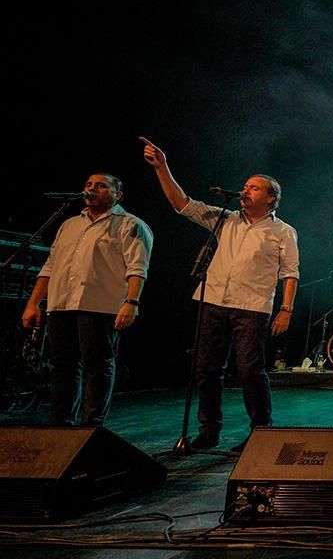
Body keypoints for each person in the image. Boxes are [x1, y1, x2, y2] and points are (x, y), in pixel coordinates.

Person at [142, 137, 299, 451]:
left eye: (254, 188)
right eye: (245, 186)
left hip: (252, 307)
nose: (246, 190)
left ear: (271, 198)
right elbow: (182, 204)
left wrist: (286, 309)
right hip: (212, 301)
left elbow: (290, 273)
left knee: (250, 370)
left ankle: (261, 430)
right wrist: (162, 168)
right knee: (206, 368)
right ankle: (209, 431)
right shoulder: (225, 219)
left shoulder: (283, 231)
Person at [21, 173, 153, 426]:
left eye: (101, 186)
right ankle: (61, 423)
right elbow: (50, 266)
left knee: (97, 364)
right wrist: (33, 303)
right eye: (89, 185)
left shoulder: (129, 224)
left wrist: (132, 302)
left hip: (99, 305)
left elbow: (137, 268)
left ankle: (92, 425)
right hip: (62, 304)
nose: (92, 189)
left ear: (118, 194)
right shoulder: (70, 224)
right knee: (61, 365)